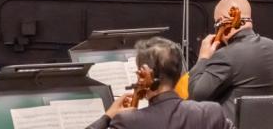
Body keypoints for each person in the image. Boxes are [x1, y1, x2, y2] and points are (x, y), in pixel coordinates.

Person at [87, 37, 233, 129]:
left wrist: (107, 117)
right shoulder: (211, 113)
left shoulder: (127, 122)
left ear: (143, 73)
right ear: (178, 72)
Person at [188, 0, 273, 122]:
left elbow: (196, 96)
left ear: (222, 21)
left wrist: (203, 58)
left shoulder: (226, 55)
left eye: (216, 23)